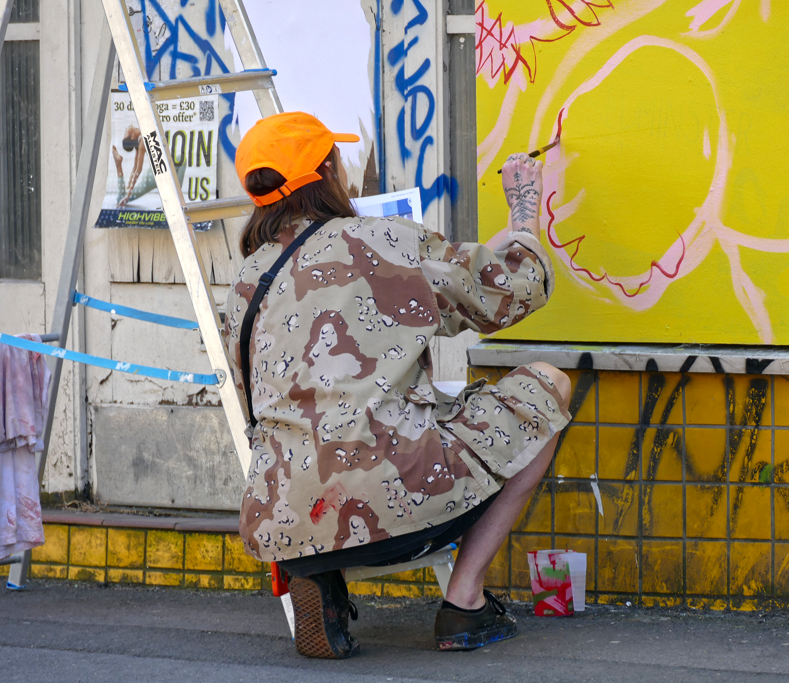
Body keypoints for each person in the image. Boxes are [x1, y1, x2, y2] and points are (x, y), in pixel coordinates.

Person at [224, 112, 572, 659]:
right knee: (547, 386)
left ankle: (318, 576)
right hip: (398, 505)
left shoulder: (247, 281)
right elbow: (510, 289)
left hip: (284, 515)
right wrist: (525, 211)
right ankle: (464, 601)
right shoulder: (384, 240)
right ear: (329, 171)